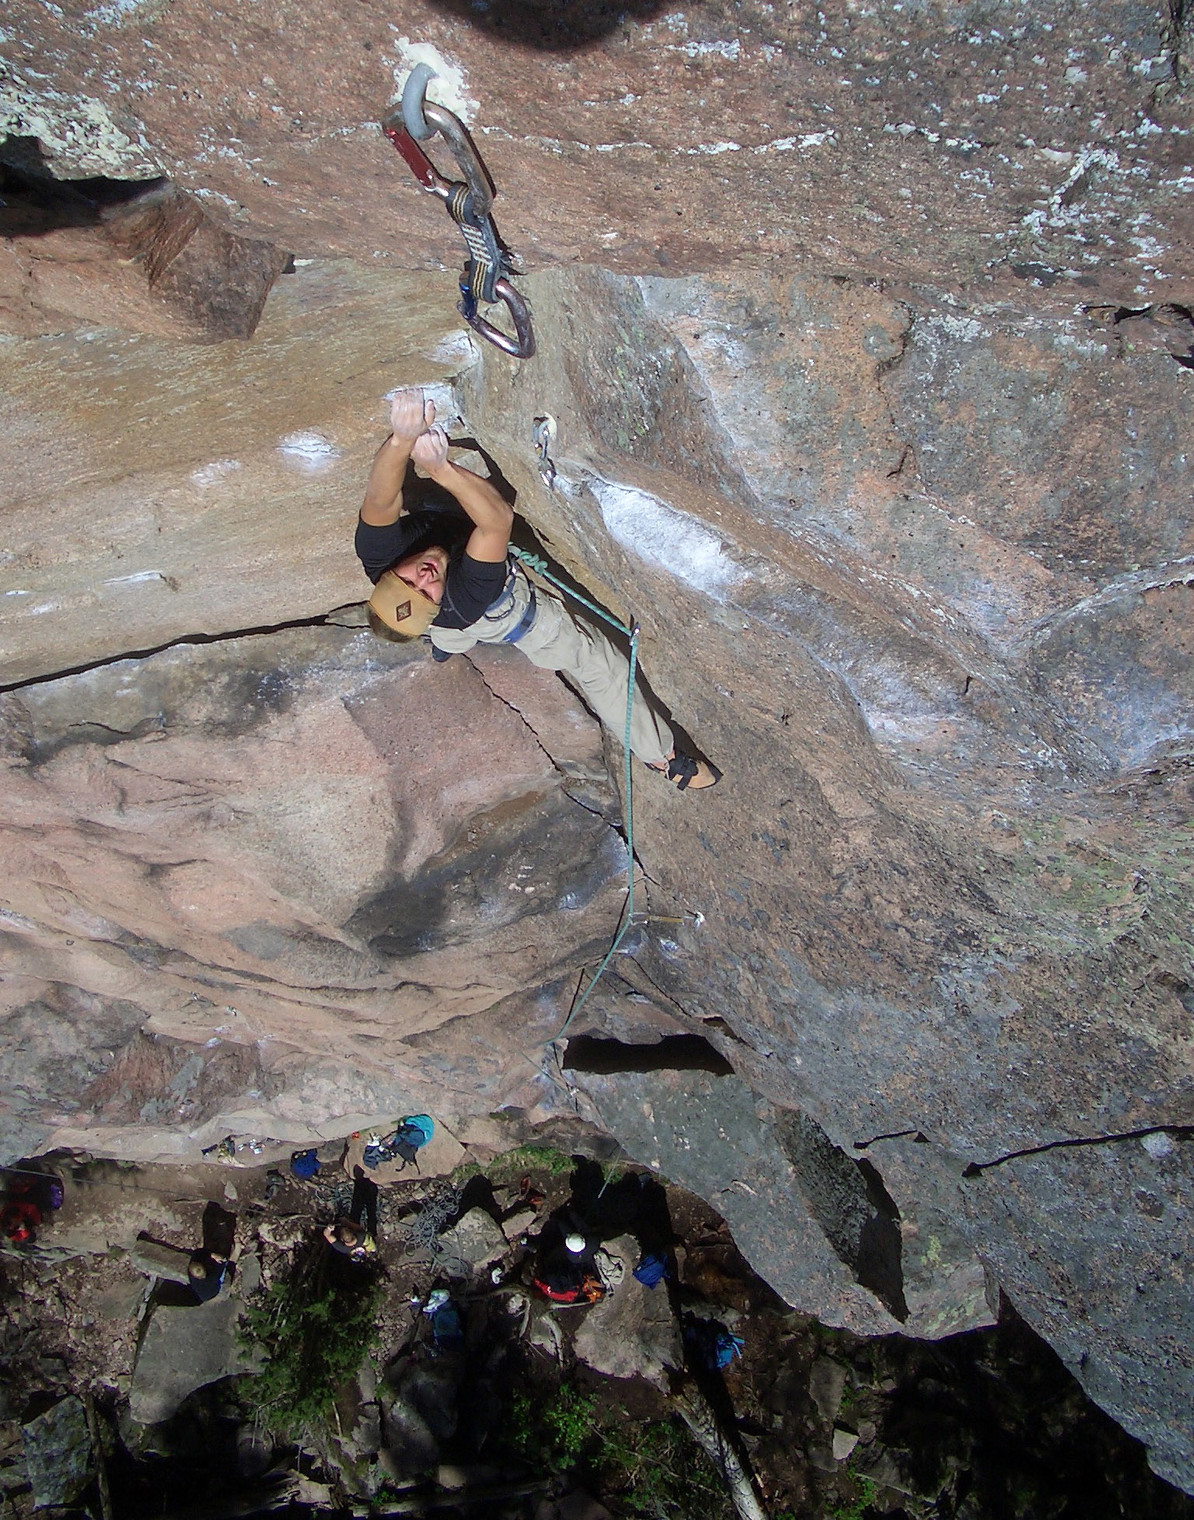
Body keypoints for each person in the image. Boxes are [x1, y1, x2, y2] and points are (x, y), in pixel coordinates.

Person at [355, 389, 720, 791]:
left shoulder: (378, 555)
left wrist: (402, 438)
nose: (424, 577)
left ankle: (444, 643)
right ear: (436, 604)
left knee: (448, 629)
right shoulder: (464, 599)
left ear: (387, 573)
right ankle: (661, 756)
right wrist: (440, 469)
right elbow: (497, 521)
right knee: (595, 662)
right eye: (425, 593)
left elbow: (380, 498)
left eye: (408, 580)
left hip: (450, 601)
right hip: (506, 611)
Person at [323, 1168, 380, 1261]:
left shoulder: (342, 1247)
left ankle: (364, 1188)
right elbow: (358, 1227)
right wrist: (345, 1221)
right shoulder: (360, 1236)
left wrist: (329, 1229)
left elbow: (327, 1235)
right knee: (360, 1212)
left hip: (358, 1234)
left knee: (364, 1212)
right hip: (362, 1234)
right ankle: (363, 1188)